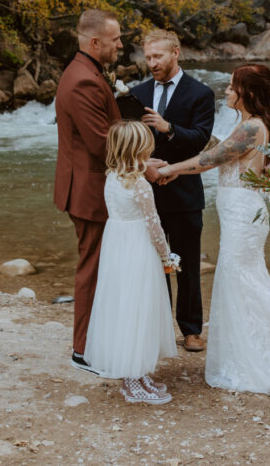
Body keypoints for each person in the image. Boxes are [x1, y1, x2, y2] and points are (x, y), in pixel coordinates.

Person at [157, 64, 270, 393]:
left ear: (246, 93)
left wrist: (170, 168)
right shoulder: (247, 126)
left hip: (243, 215)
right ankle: (247, 351)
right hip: (240, 213)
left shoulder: (252, 127)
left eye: (231, 87)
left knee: (239, 281)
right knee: (243, 283)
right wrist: (179, 133)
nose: (225, 91)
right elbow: (220, 150)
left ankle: (256, 357)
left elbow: (210, 160)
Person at [53, 9, 163, 373]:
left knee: (101, 265)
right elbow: (102, 142)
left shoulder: (87, 71)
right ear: (94, 42)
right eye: (115, 39)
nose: (120, 44)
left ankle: (98, 342)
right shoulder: (83, 80)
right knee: (94, 268)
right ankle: (83, 350)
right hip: (88, 188)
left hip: (94, 184)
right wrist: (144, 166)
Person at [131, 29, 215, 352]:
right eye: (148, 57)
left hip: (184, 191)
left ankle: (191, 330)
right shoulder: (137, 93)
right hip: (146, 190)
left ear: (175, 53)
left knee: (188, 264)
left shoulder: (200, 93)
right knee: (153, 263)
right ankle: (160, 326)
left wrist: (168, 128)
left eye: (158, 57)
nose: (152, 63)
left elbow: (200, 140)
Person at [85, 121, 180, 404]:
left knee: (125, 306)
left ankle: (138, 374)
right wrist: (166, 255)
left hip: (117, 246)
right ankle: (130, 379)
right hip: (138, 248)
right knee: (138, 308)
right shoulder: (140, 185)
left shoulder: (112, 176)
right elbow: (154, 225)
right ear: (142, 149)